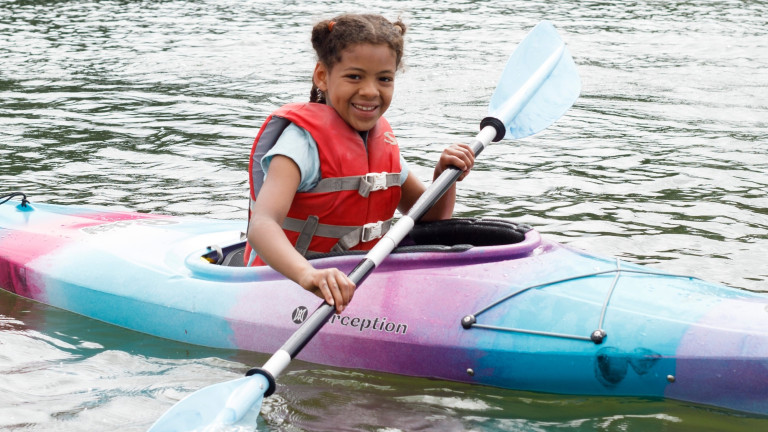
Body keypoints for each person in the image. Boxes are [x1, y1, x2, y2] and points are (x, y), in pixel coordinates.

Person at [246, 14, 474, 314]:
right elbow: (262, 225)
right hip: (283, 283)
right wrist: (308, 275)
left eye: (384, 79)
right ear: (323, 77)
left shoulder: (380, 141)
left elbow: (431, 218)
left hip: (360, 278)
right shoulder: (300, 144)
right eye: (354, 76)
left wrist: (444, 177)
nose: (370, 91)